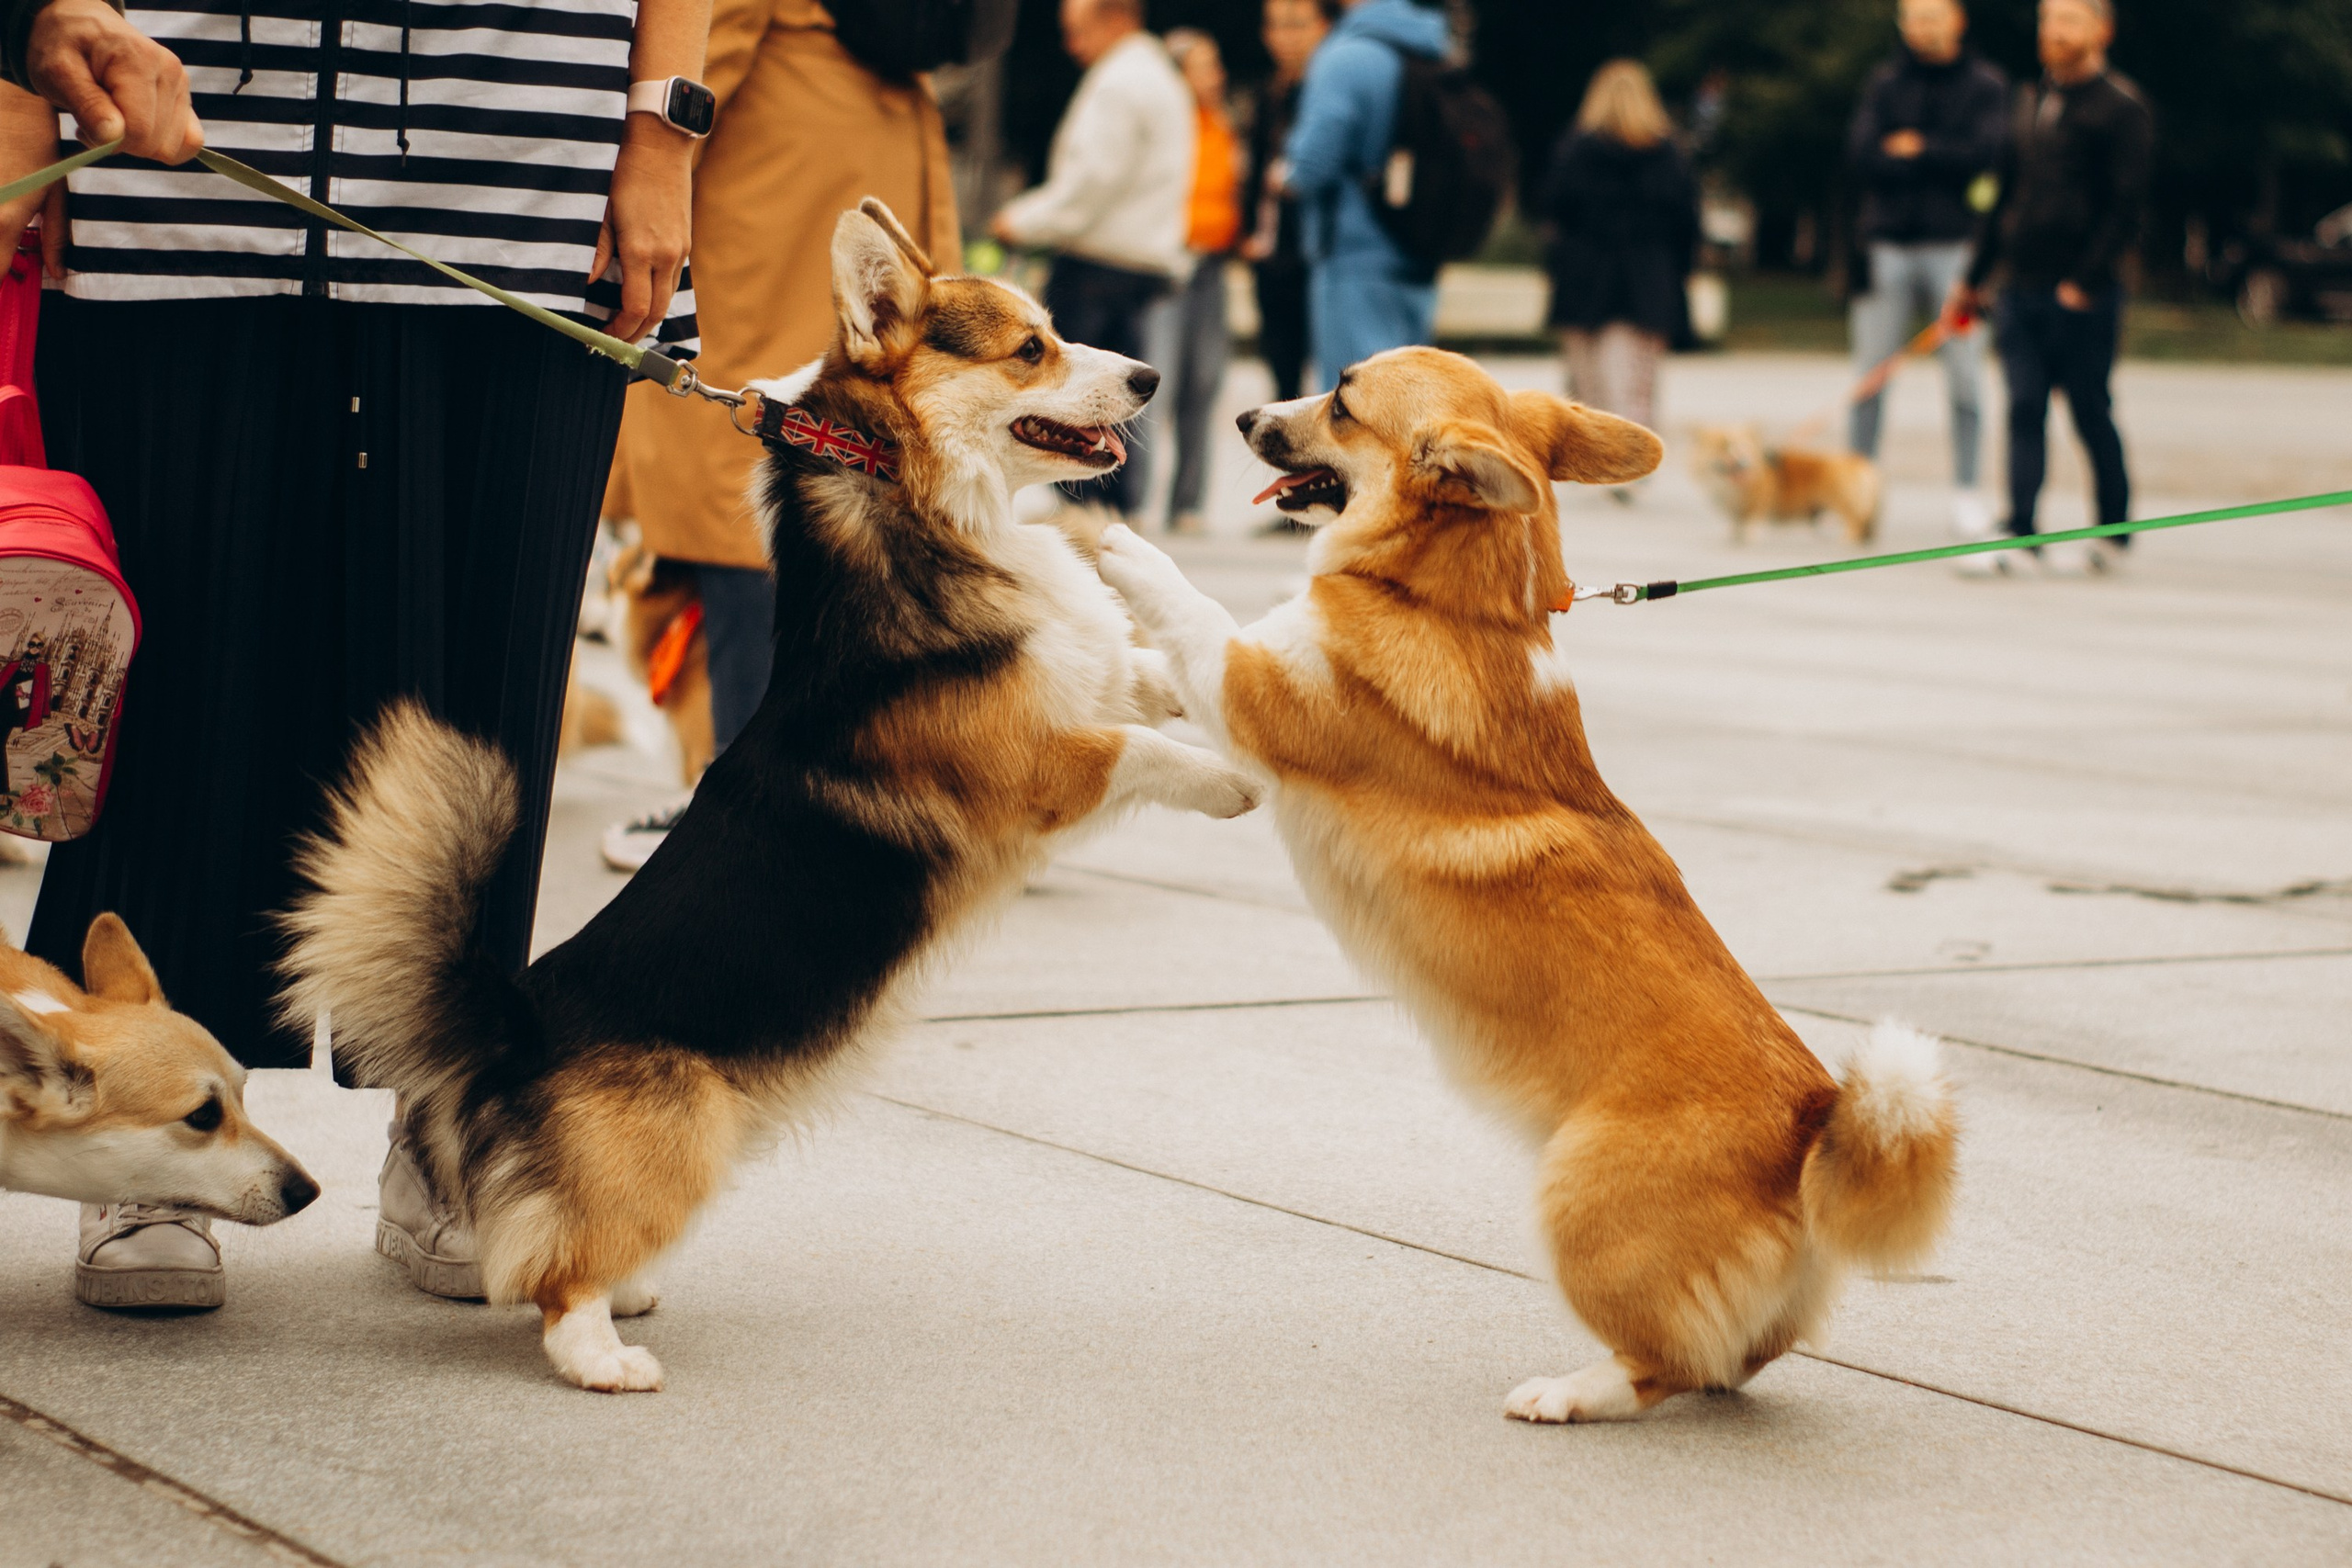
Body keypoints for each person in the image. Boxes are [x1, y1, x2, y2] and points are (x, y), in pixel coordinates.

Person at [0, 0, 702, 1306]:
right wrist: (10, 87)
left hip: (518, 147)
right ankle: (156, 1122)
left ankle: (451, 1109)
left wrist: (663, 132)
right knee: (175, 657)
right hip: (171, 139)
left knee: (476, 674)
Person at [599, 0, 961, 872]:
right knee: (846, 463)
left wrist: (631, 156)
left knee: (742, 473)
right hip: (867, 122)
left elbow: (707, 33)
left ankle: (748, 806)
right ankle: (840, 789)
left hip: (773, 143)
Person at [1955, 0, 2153, 574]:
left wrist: (2085, 282)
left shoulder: (2122, 109)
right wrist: (1972, 280)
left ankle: (2114, 530)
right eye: (2048, 20)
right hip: (2019, 287)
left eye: (2069, 20)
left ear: (2102, 30)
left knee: (2090, 410)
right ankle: (2020, 530)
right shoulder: (2029, 99)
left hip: (2084, 292)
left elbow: (2125, 209)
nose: (2054, 32)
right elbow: (2002, 199)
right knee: (2022, 407)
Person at [991, 0, 1193, 518]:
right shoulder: (1162, 79)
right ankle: (1114, 519)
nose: (1070, 45)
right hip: (1142, 263)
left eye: (1077, 31)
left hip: (1098, 263)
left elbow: (1088, 187)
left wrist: (1020, 221)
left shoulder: (1119, 83)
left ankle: (1083, 515)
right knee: (1122, 400)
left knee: (1077, 394)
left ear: (1115, 17)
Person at [1847, 0, 2009, 544]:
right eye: (1914, 17)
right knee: (1872, 371)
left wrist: (1919, 148)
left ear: (1958, 20)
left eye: (1934, 15)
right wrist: (1935, 155)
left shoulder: (1986, 85)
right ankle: (1856, 486)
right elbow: (1862, 154)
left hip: (1957, 249)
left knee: (1965, 374)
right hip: (1887, 244)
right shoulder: (1885, 82)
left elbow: (1987, 155)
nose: (1924, 27)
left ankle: (1967, 492)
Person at [1280, 0, 1450, 385]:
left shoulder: (1346, 57)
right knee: (1408, 399)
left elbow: (1311, 165)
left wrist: (1285, 175)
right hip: (1419, 248)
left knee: (1353, 401)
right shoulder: (1431, 47)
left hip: (1354, 255)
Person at [1540, 60, 1698, 455]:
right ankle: (1632, 452)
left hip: (1584, 279)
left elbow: (1554, 209)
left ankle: (1594, 452)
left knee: (1589, 379)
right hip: (1648, 280)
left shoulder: (1576, 149)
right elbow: (1688, 225)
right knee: (1636, 379)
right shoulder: (1669, 155)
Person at [1156, 28, 1242, 537]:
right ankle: (1134, 497)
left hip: (1211, 262)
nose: (1217, 76)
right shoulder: (1165, 125)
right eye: (1204, 66)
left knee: (1203, 383)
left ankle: (1188, 503)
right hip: (1169, 261)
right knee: (1159, 379)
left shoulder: (1222, 123)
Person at [1241, 0, 1333, 407]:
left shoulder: (1327, 93)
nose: (1286, 38)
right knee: (1283, 379)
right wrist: (1248, 232)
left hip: (1317, 255)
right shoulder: (1268, 94)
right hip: (1271, 256)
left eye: (1297, 25)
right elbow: (1256, 173)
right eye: (1277, 26)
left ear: (1323, 27)